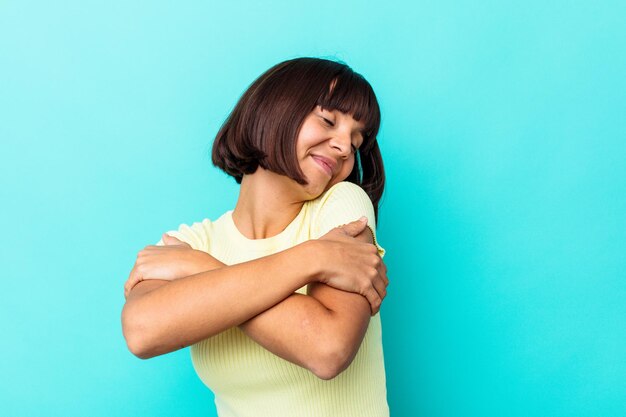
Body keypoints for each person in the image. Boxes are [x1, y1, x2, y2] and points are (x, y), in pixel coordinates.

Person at [121, 57, 390, 417]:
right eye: (328, 120)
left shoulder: (343, 206)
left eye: (356, 142)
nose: (344, 147)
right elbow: (142, 331)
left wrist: (201, 269)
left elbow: (327, 349)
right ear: (274, 110)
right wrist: (313, 258)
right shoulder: (194, 241)